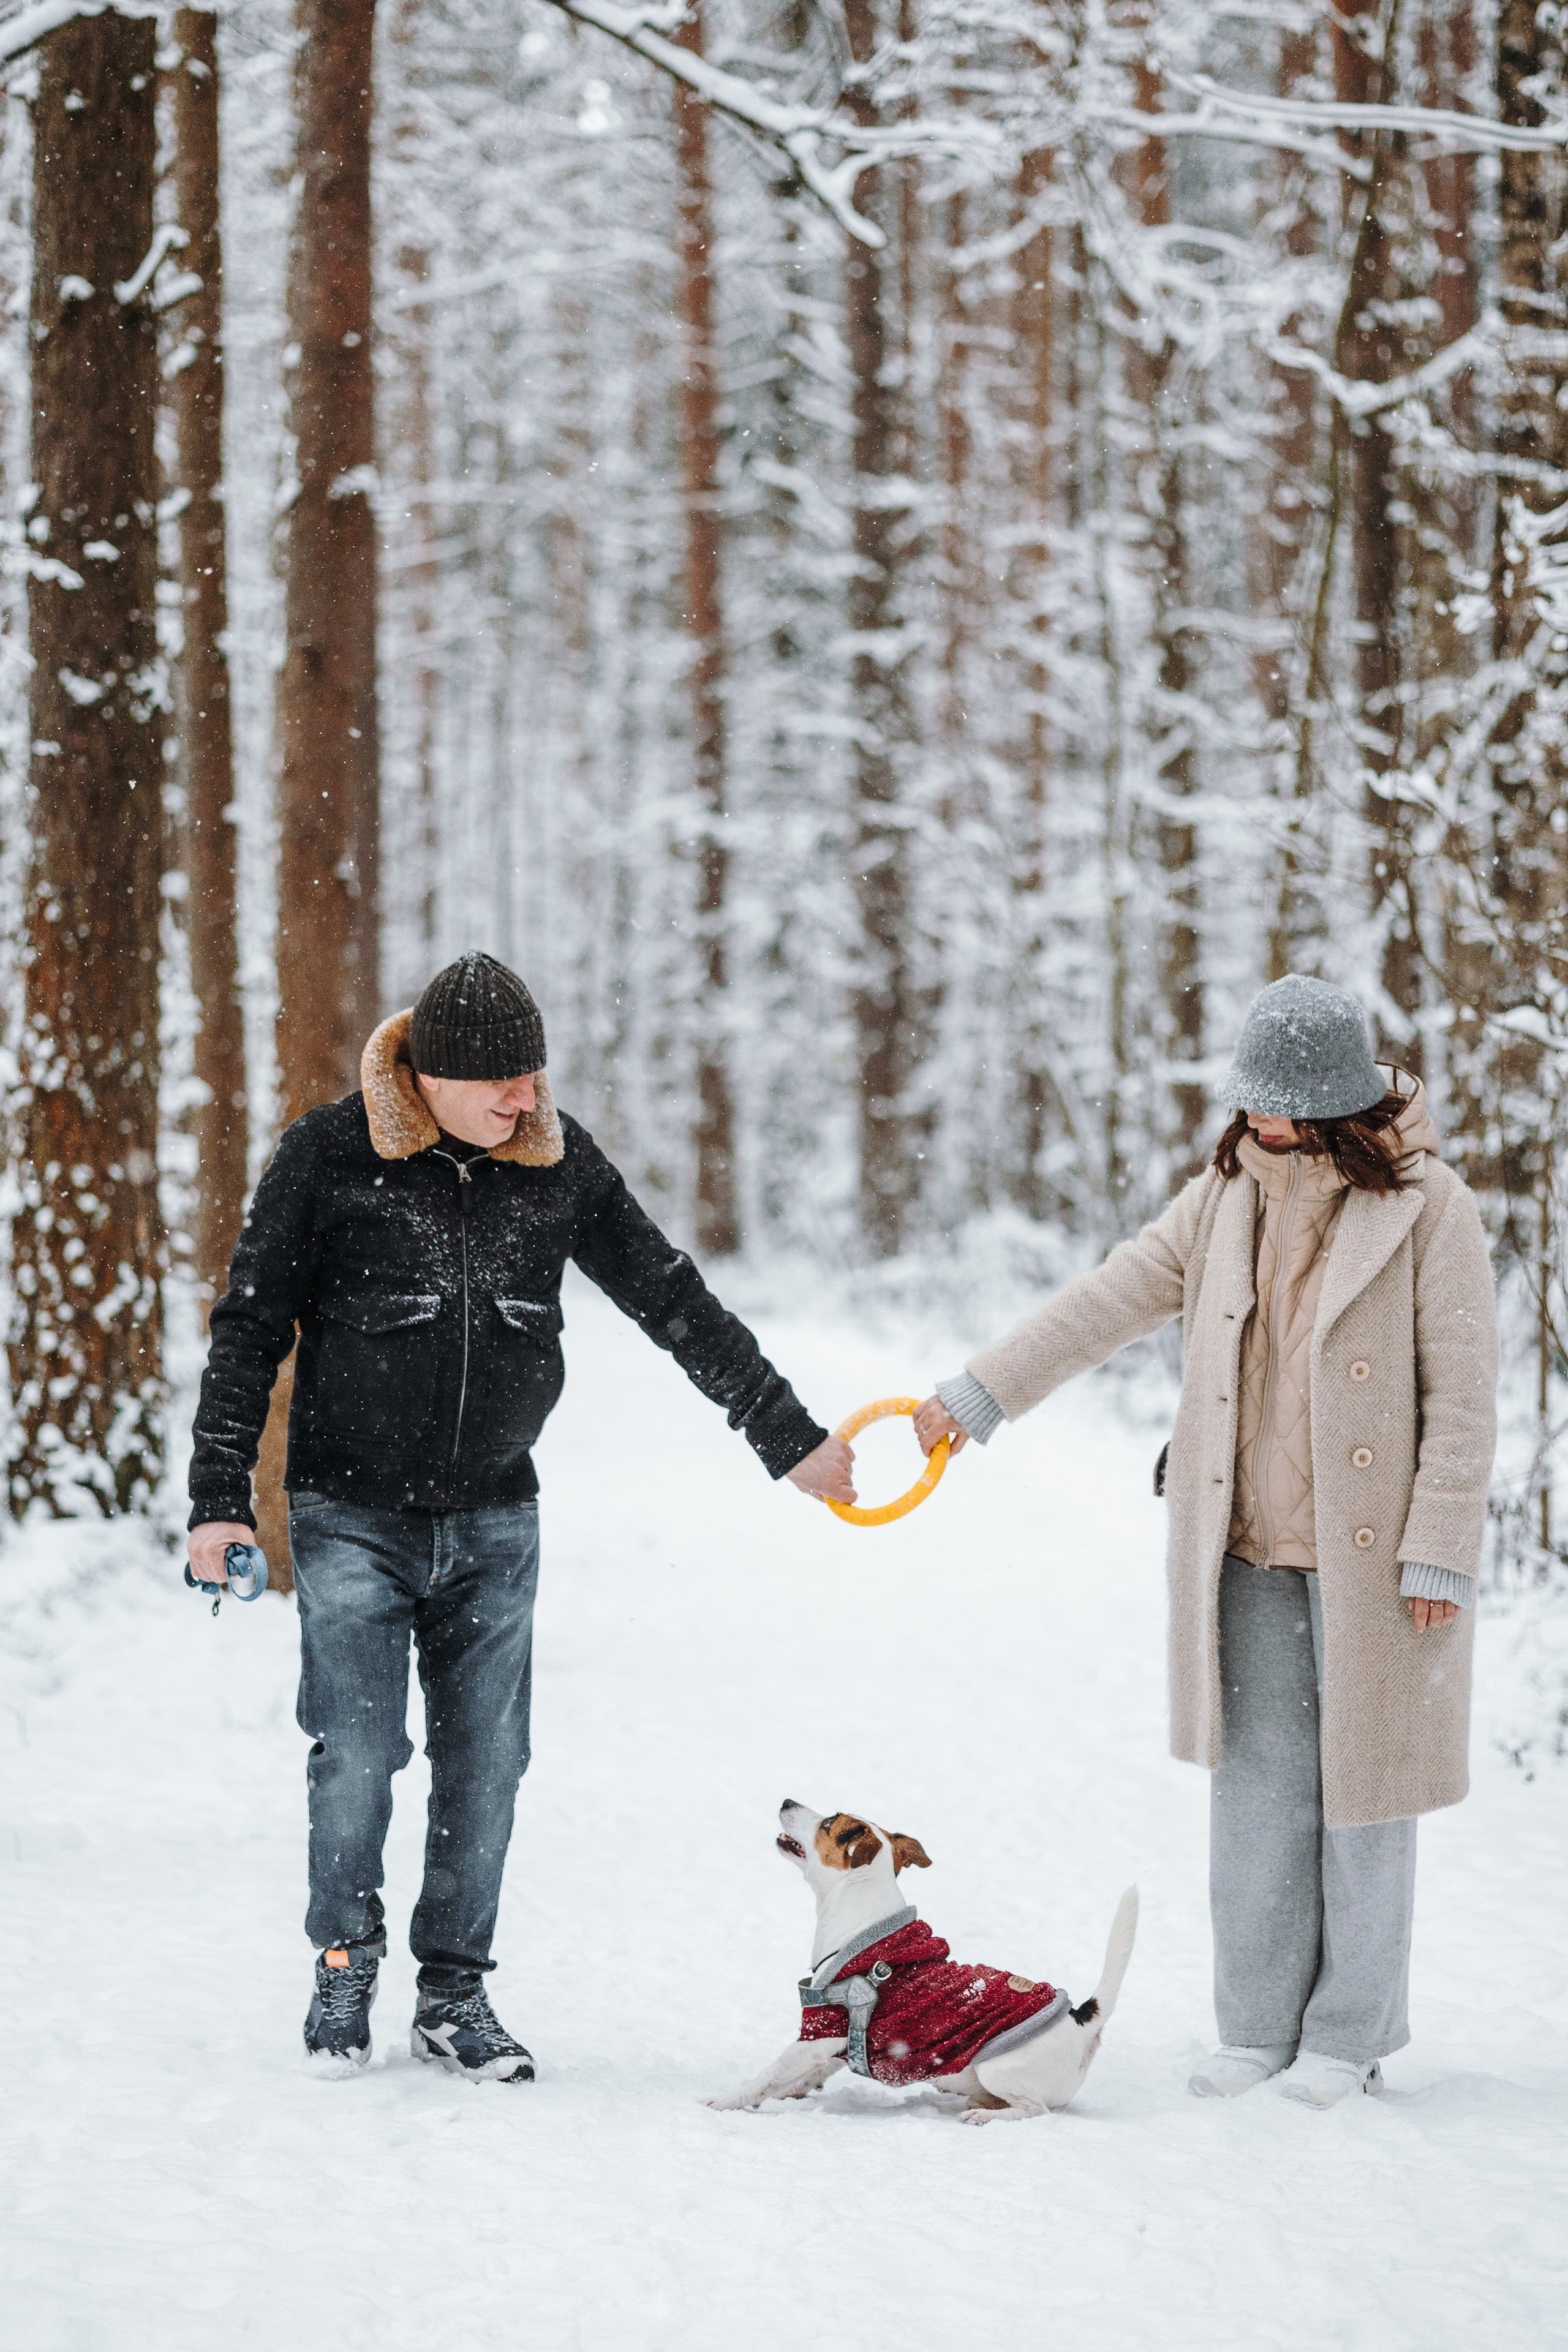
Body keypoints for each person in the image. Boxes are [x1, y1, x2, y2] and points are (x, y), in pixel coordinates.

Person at [187, 952, 855, 2081]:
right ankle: (344, 1970)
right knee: (357, 1752)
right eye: (501, 1083)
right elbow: (249, 1327)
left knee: (488, 1762)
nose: (525, 1100)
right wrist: (218, 1504)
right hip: (349, 1510)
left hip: (497, 1516)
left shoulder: (555, 1162)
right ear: (431, 1079)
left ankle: (453, 1996)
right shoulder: (330, 1156)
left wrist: (785, 1436)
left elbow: (671, 1296)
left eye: (534, 1077)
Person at [914, 975, 1498, 2107]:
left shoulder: (1432, 1209)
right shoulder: (1226, 1198)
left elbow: (1465, 1396)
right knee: (1259, 1792)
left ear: (1334, 1103)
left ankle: (1346, 2037)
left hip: (1374, 1557)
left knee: (1365, 1797)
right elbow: (1108, 1299)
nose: (1258, 1120)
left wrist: (1442, 1548)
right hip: (1242, 1547)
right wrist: (981, 1393)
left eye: (1278, 1104)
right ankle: (1257, 2026)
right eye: (1253, 1101)